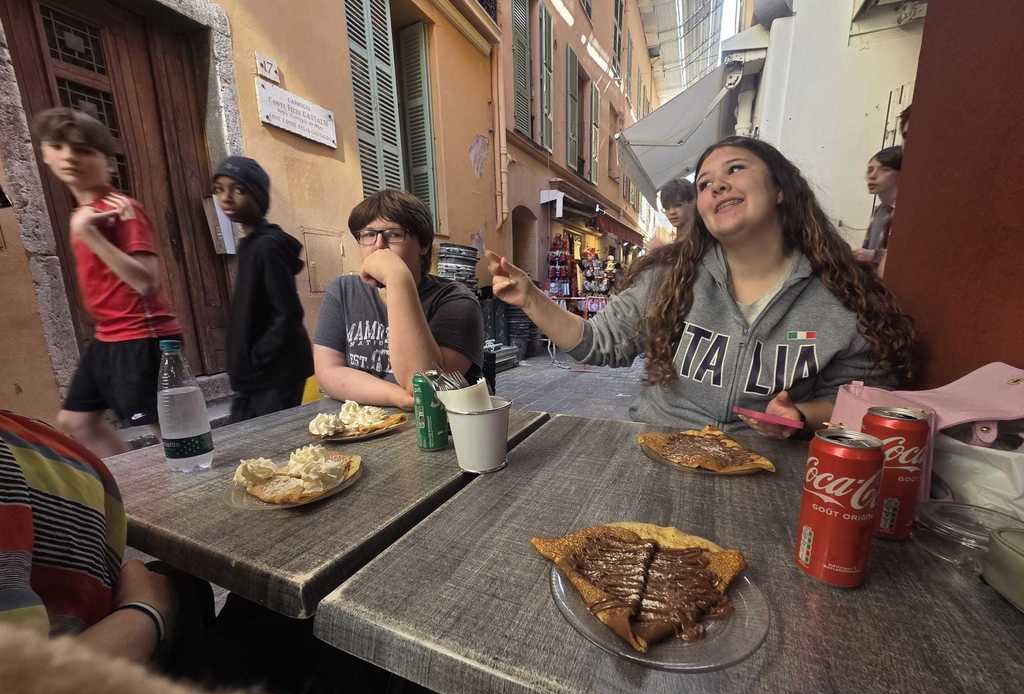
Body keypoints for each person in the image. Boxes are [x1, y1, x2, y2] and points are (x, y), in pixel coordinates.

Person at [488, 136, 915, 437]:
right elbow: (598, 343)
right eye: (705, 184)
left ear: (781, 189)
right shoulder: (670, 277)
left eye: (735, 169)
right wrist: (530, 298)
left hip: (767, 470)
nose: (717, 186)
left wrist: (800, 415)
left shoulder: (841, 295)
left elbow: (863, 397)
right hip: (661, 448)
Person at [33, 107, 182, 457]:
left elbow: (146, 281)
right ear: (45, 154)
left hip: (142, 335)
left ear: (108, 163)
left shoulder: (120, 208)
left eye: (83, 150)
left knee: (171, 429)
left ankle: (197, 484)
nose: (69, 156)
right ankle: (128, 483)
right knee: (76, 421)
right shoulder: (84, 213)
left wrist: (89, 234)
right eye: (58, 146)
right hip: (107, 336)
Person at [0, 410, 176, 664]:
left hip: (97, 604)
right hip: (102, 662)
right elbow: (24, 683)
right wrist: (144, 610)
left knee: (189, 585)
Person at [314, 190, 484, 408]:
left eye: (394, 234)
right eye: (368, 235)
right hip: (362, 422)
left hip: (437, 425)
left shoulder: (457, 301)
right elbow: (329, 371)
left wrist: (397, 278)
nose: (378, 245)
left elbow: (425, 386)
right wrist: (397, 397)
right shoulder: (342, 291)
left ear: (423, 245)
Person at [212, 156, 314, 422]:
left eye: (238, 190)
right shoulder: (250, 245)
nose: (226, 198)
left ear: (258, 195)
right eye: (219, 189)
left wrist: (256, 359)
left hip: (275, 374)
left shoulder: (268, 247)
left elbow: (288, 313)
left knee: (273, 441)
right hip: (255, 378)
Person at [855, 146, 902, 271]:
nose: (872, 176)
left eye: (885, 169)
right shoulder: (878, 211)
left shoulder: (907, 213)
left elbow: (906, 256)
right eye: (870, 170)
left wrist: (873, 256)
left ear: (901, 174)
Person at [660, 177, 696, 241]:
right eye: (666, 208)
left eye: (677, 205)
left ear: (692, 202)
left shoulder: (706, 240)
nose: (671, 212)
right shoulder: (672, 244)